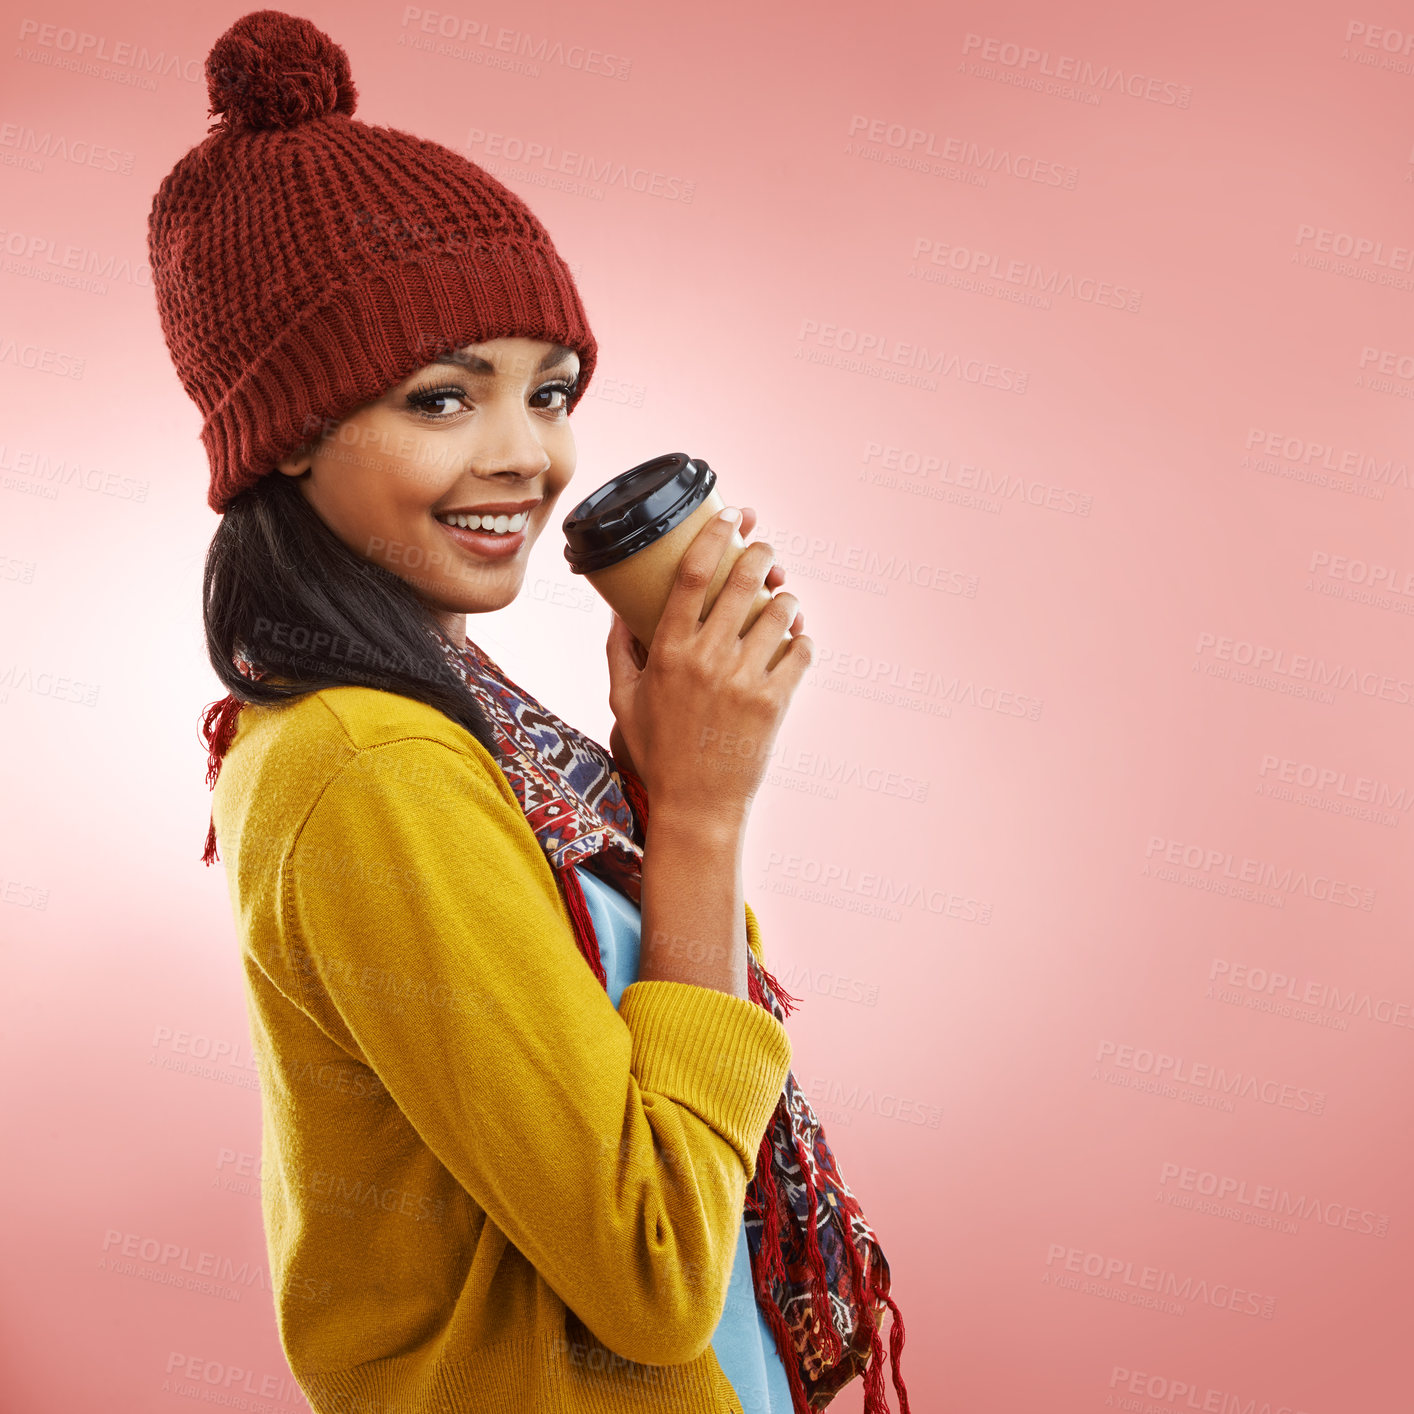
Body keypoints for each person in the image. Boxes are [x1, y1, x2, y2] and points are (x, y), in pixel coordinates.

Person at [148, 11, 829, 1414]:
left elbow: (629, 1064)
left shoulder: (460, 731)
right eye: (442, 397)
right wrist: (698, 818)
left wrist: (649, 785)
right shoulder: (371, 761)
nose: (527, 455)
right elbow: (653, 1267)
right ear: (285, 432)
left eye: (550, 389)